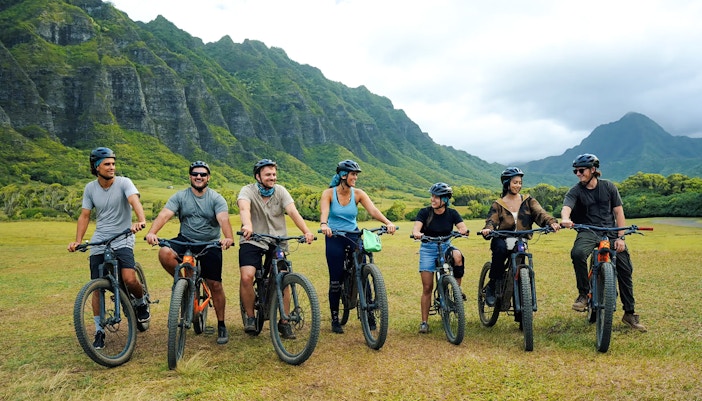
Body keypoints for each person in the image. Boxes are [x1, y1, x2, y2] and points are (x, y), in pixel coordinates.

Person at [68, 147, 149, 350]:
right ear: (97, 167)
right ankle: (99, 331)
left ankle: (140, 302)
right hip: (100, 238)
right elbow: (85, 215)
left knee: (129, 278)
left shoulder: (124, 182)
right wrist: (78, 240)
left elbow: (134, 201)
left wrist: (140, 220)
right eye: (107, 164)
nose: (112, 167)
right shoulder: (90, 188)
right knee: (97, 286)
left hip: (123, 236)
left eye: (113, 163)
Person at [145, 161, 234, 344]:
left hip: (209, 243)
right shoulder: (180, 196)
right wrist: (152, 232)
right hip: (185, 240)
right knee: (164, 253)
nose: (199, 177)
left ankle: (222, 324)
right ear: (190, 176)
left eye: (202, 174)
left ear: (208, 177)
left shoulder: (216, 198)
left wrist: (228, 237)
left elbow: (223, 219)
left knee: (215, 284)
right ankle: (184, 284)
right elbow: (164, 215)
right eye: (195, 174)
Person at [560, 154, 647, 332]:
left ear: (593, 170)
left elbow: (619, 213)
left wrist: (621, 237)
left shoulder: (608, 187)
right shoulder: (575, 190)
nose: (578, 173)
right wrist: (565, 219)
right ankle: (583, 295)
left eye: (581, 170)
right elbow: (566, 207)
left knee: (625, 269)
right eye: (575, 171)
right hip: (588, 231)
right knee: (577, 253)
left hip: (611, 231)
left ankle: (629, 313)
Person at [238, 159, 315, 338]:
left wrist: (306, 231)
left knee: (283, 277)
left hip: (277, 240)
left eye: (274, 174)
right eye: (268, 175)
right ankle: (250, 317)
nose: (272, 178)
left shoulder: (280, 191)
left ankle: (284, 321)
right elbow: (244, 209)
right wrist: (247, 225)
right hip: (253, 239)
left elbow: (293, 211)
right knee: (247, 276)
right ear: (258, 176)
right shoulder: (247, 190)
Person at [320, 160, 397, 334]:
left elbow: (373, 210)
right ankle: (335, 318)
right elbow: (324, 211)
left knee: (363, 272)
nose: (355, 177)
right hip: (334, 236)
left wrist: (388, 222)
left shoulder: (358, 194)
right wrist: (324, 224)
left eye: (356, 174)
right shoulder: (329, 194)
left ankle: (368, 313)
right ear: (342, 175)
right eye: (353, 174)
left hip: (353, 236)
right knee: (335, 280)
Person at [480, 168, 560, 307]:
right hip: (502, 237)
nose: (518, 185)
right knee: (499, 250)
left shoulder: (528, 201)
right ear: (506, 183)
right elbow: (492, 220)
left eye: (519, 182)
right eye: (514, 182)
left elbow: (541, 213)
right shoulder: (498, 203)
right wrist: (488, 229)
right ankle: (493, 284)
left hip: (521, 238)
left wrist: (551, 222)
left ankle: (522, 310)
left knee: (520, 263)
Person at [411, 182, 468, 334]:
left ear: (445, 200)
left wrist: (463, 231)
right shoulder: (425, 212)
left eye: (437, 197)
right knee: (427, 287)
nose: (433, 199)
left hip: (445, 246)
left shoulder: (452, 213)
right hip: (428, 248)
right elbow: (417, 227)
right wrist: (417, 233)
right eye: (432, 196)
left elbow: (462, 226)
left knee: (457, 256)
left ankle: (456, 290)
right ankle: (424, 322)